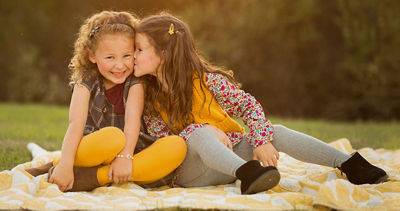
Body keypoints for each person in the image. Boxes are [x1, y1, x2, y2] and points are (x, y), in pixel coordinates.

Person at [132, 12, 388, 195]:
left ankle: (349, 164)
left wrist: (261, 140)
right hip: (190, 172)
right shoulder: (149, 97)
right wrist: (203, 131)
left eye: (139, 49)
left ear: (163, 55)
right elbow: (163, 145)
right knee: (199, 132)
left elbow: (248, 106)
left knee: (274, 131)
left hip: (232, 160)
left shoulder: (207, 82)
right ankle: (249, 174)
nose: (134, 55)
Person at [25, 11, 187, 192]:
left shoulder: (136, 81)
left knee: (177, 145)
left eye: (127, 56)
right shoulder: (86, 80)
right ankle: (62, 164)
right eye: (110, 57)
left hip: (130, 152)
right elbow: (76, 123)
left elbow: (132, 119)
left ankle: (94, 177)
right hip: (96, 148)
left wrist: (125, 157)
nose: (120, 65)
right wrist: (66, 163)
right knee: (113, 137)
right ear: (92, 56)